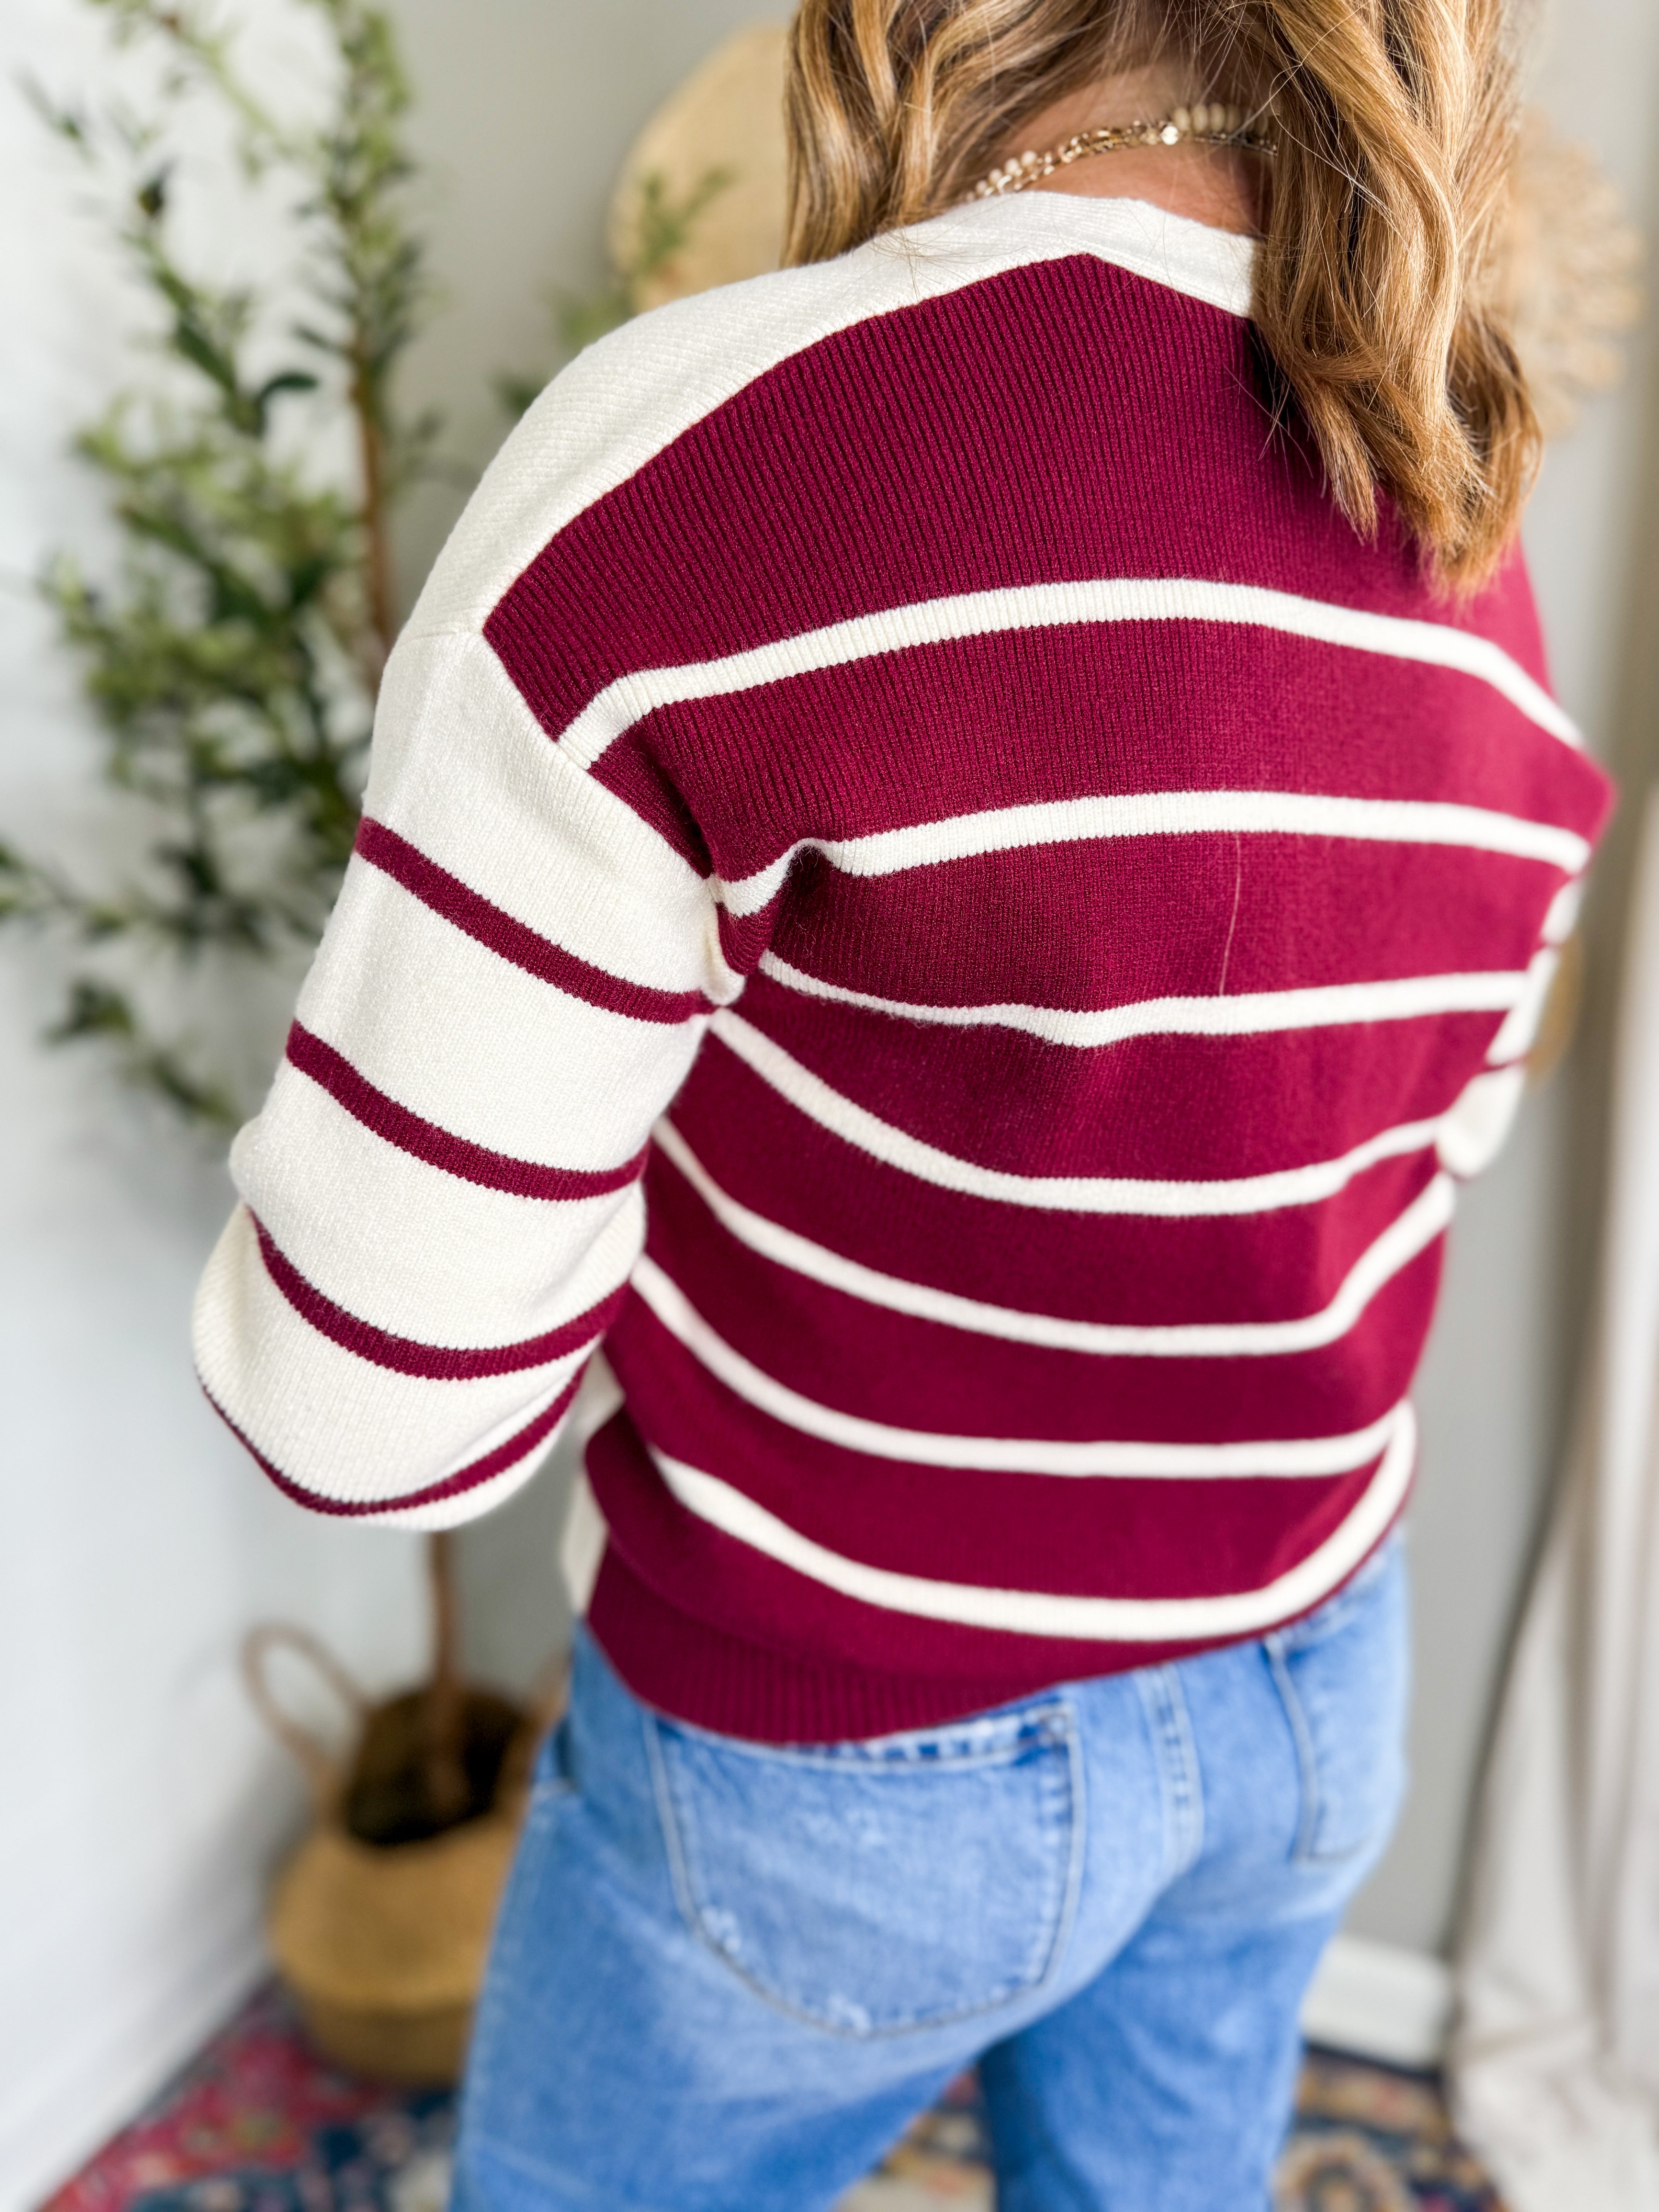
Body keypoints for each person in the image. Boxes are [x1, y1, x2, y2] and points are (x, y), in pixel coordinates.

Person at [192, 0, 1613, 2203]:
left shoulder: (701, 458)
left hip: (836, 1736)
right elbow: (1421, 1144)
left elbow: (367, 1413)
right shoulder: (1457, 523)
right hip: (1312, 1680)